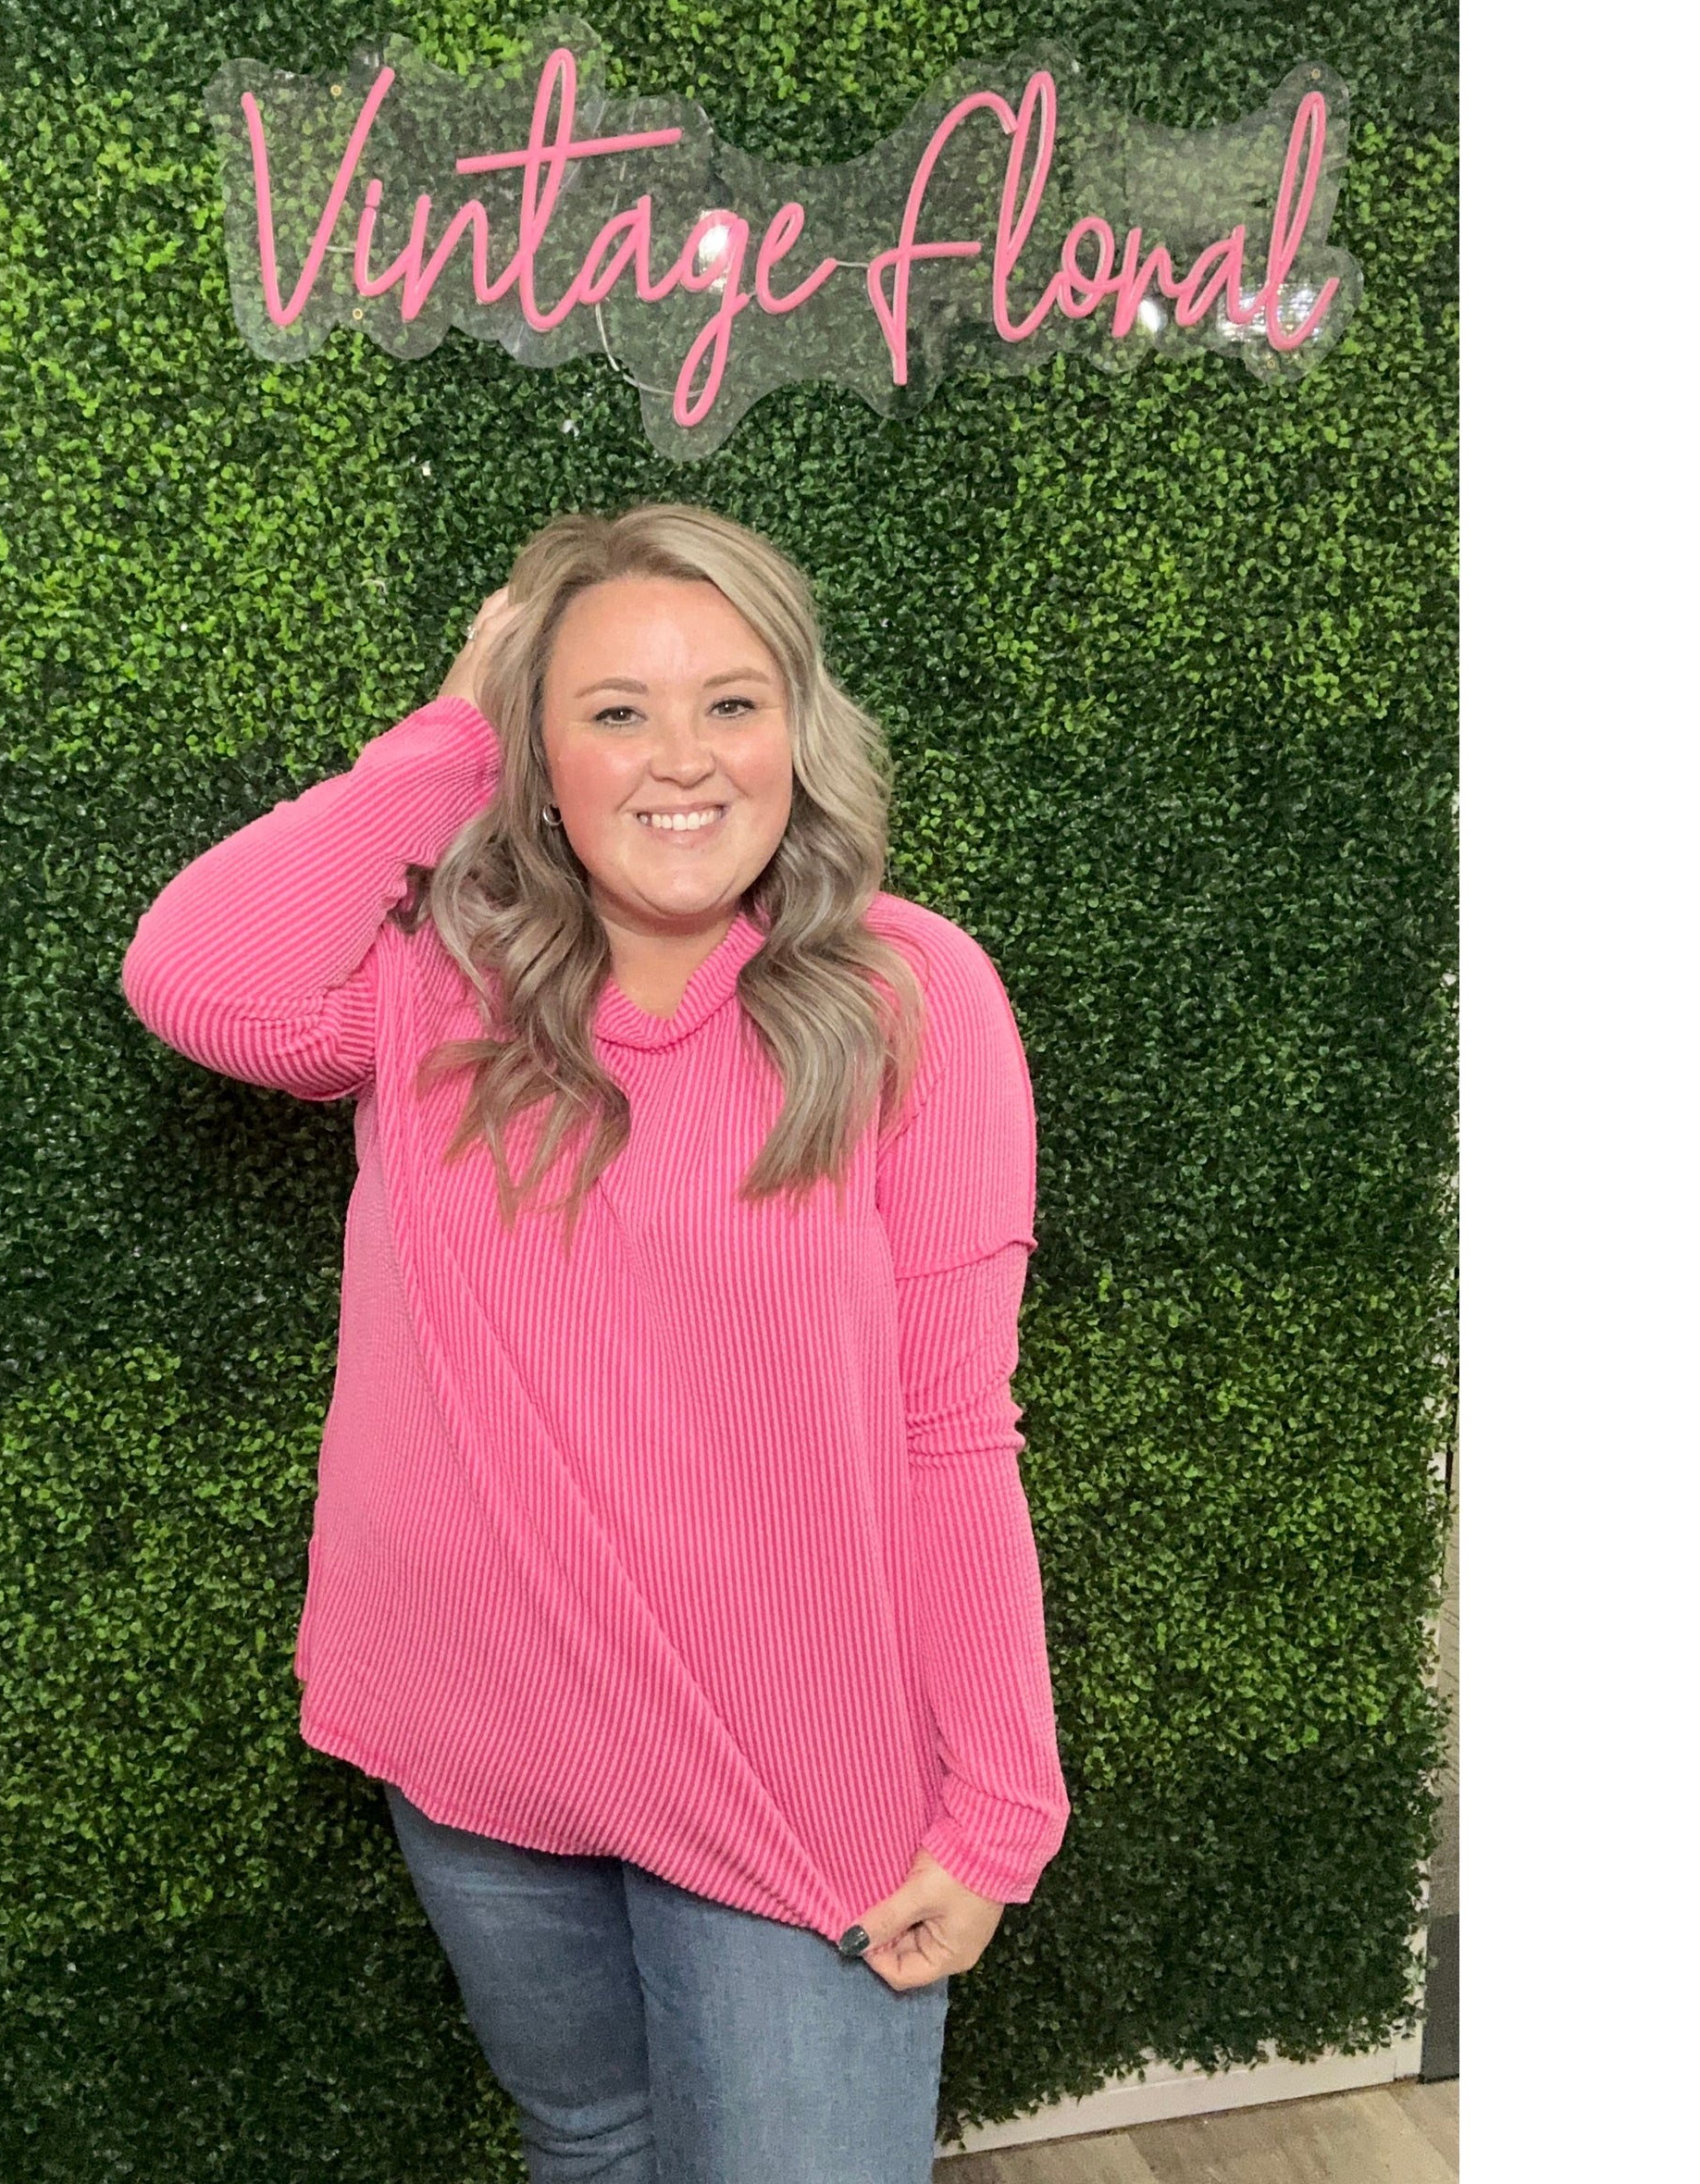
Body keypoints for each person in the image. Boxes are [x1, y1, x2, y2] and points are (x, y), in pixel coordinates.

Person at [120, 503, 1070, 2182]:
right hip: (479, 1736)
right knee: (589, 2140)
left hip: (789, 1764)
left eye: (732, 702)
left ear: (798, 731)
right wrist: (444, 736)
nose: (682, 758)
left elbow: (953, 1432)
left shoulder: (909, 995)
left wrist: (1001, 1804)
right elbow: (195, 978)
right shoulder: (435, 980)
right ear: (537, 757)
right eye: (615, 709)